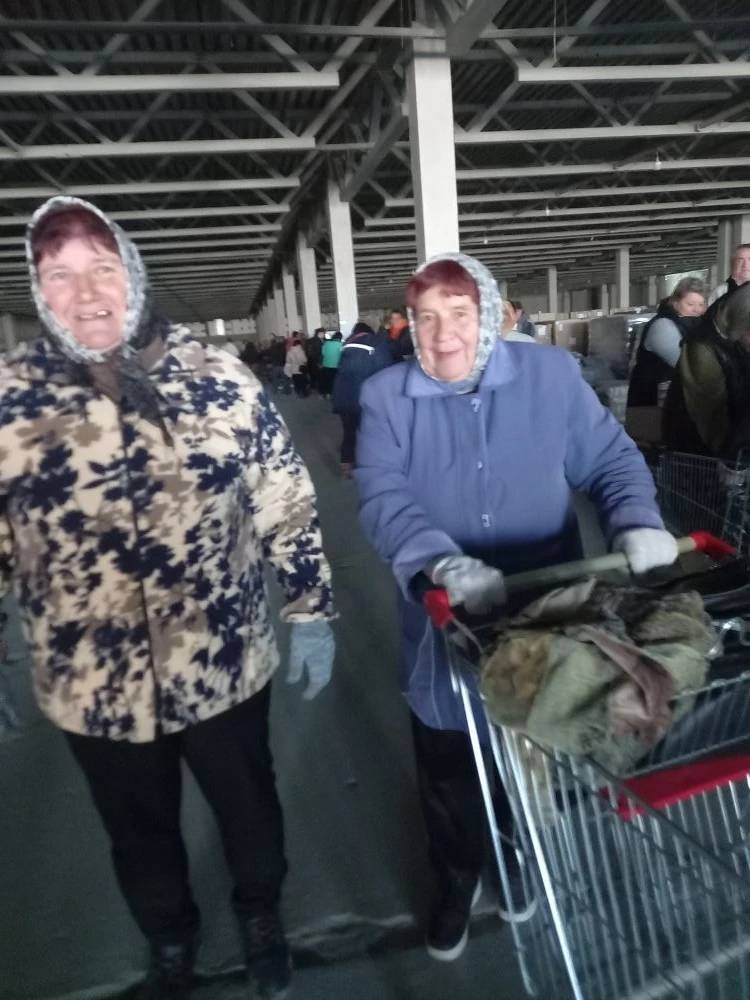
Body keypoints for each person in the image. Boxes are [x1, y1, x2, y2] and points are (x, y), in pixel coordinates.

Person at [0, 196, 336, 1000]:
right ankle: (171, 943)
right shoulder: (14, 398)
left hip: (222, 661)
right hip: (93, 686)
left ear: (133, 274)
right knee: (138, 831)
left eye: (101, 269)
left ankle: (260, 916)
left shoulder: (215, 376)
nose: (86, 293)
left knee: (248, 808)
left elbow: (284, 497)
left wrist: (312, 608)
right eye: (60, 275)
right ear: (39, 291)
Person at [354, 252, 678, 963]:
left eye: (460, 314)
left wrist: (636, 519)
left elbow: (610, 461)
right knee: (449, 758)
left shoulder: (550, 378)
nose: (443, 334)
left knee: (531, 745)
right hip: (447, 618)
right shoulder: (386, 398)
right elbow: (382, 495)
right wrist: (439, 560)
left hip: (545, 611)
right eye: (426, 318)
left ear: (495, 315)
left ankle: (516, 856)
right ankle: (456, 876)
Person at [663, 282, 750, 458]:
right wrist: (735, 460)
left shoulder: (737, 341)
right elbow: (711, 422)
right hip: (697, 456)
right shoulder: (702, 348)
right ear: (739, 324)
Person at [627, 276, 706, 407]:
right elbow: (687, 365)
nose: (697, 310)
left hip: (674, 403)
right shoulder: (662, 326)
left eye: (701, 305)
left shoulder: (694, 325)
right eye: (690, 304)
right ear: (675, 303)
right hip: (651, 405)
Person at [332, 321, 394, 478]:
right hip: (365, 397)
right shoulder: (376, 343)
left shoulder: (346, 345)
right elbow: (385, 372)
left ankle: (346, 465)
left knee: (349, 431)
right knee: (369, 432)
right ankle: (368, 465)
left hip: (343, 396)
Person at [319, 330, 343, 398]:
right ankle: (330, 393)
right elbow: (342, 355)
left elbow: (323, 353)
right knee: (333, 381)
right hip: (335, 366)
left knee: (325, 380)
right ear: (340, 338)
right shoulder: (340, 345)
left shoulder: (326, 343)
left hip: (325, 365)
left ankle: (325, 393)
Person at [304, 327, 324, 393]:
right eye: (323, 333)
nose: (324, 335)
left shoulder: (308, 341)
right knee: (319, 376)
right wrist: (319, 362)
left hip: (310, 361)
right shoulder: (318, 341)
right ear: (319, 333)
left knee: (312, 375)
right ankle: (319, 389)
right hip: (316, 362)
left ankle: (313, 387)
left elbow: (306, 351)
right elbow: (319, 353)